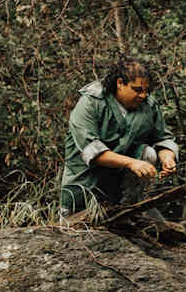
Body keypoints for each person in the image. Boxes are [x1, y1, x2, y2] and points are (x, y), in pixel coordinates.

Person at [59, 57, 179, 216]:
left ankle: (132, 209)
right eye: (137, 90)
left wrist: (168, 158)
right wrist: (132, 163)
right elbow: (92, 152)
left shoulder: (149, 106)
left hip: (119, 186)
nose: (143, 95)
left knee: (148, 153)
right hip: (85, 183)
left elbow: (162, 138)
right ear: (120, 83)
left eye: (146, 90)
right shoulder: (91, 102)